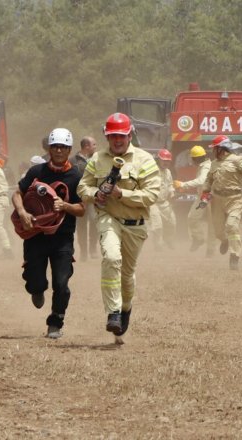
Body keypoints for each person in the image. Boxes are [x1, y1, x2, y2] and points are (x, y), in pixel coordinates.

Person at [77, 113, 160, 342]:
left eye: (121, 135)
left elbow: (151, 195)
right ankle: (112, 312)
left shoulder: (145, 160)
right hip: (108, 217)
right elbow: (82, 187)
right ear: (107, 136)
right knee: (112, 259)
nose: (117, 140)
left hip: (136, 224)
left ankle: (125, 310)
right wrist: (96, 195)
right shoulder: (97, 159)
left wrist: (121, 193)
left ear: (129, 135)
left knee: (127, 275)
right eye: (112, 136)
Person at [13, 128, 84, 339]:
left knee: (61, 283)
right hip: (35, 236)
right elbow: (17, 193)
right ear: (49, 149)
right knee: (36, 281)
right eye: (55, 147)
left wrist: (65, 206)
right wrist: (22, 212)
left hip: (62, 238)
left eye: (63, 147)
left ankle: (56, 321)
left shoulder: (77, 176)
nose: (59, 150)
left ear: (70, 149)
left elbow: (82, 209)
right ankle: (36, 288)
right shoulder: (37, 172)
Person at [200, 135, 242, 270]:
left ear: (222, 148)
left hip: (234, 199)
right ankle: (224, 240)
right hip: (217, 200)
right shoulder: (214, 163)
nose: (213, 151)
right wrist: (205, 191)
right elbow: (209, 179)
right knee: (217, 231)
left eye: (214, 148)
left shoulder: (238, 160)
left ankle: (234, 256)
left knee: (231, 225)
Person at [173, 145, 215, 255]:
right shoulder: (203, 165)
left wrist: (183, 184)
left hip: (210, 197)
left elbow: (201, 180)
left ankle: (210, 250)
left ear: (195, 158)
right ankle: (199, 238)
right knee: (192, 217)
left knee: (212, 225)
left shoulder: (206, 167)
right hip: (203, 197)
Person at [73, 136, 99, 260]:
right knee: (81, 225)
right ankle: (83, 251)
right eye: (94, 144)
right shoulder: (73, 161)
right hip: (79, 198)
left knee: (95, 221)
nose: (96, 147)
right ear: (86, 146)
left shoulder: (97, 159)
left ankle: (93, 248)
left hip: (94, 197)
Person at [148, 149, 177, 250]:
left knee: (172, 222)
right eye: (164, 160)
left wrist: (172, 193)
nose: (166, 163)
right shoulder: (152, 170)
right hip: (153, 203)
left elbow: (170, 184)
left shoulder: (168, 172)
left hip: (164, 202)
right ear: (159, 159)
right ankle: (158, 245)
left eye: (168, 161)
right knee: (157, 225)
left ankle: (168, 240)